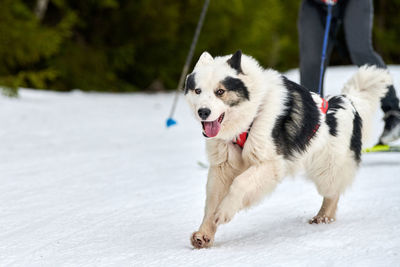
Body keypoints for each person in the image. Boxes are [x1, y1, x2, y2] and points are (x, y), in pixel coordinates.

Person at [298, 0, 400, 144]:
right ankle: (313, 125)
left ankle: (393, 113)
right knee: (312, 61)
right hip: (315, 4)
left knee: (360, 50)